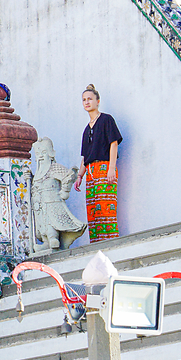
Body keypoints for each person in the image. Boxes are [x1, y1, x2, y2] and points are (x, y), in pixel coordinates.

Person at [73, 84, 122, 242]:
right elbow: (85, 156)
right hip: (91, 173)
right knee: (93, 211)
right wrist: (80, 176)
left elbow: (113, 144)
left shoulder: (106, 120)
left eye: (90, 99)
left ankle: (111, 242)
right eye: (84, 100)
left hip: (105, 168)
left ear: (98, 101)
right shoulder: (86, 129)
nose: (87, 102)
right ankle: (97, 245)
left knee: (106, 207)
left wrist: (111, 168)